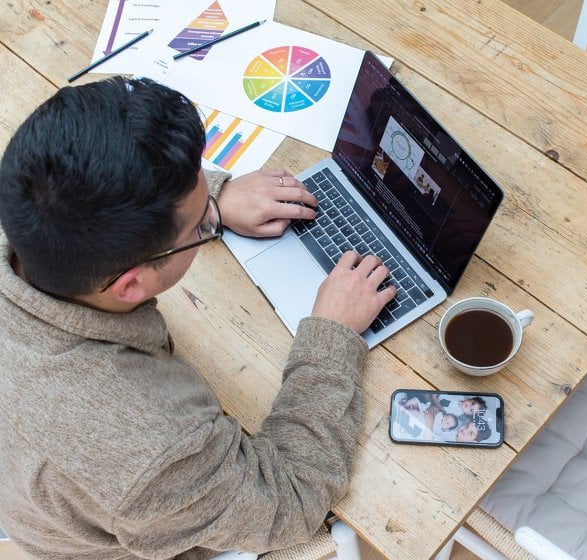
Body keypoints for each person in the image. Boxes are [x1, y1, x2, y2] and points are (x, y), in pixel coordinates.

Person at [0, 77, 396, 560]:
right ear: (130, 286)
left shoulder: (29, 208)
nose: (212, 212)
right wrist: (331, 337)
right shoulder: (152, 448)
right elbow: (290, 502)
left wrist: (212, 198)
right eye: (200, 226)